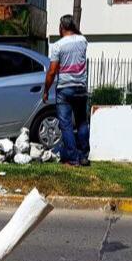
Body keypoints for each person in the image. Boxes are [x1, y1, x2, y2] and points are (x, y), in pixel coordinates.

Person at [43, 14, 90, 166]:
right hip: (81, 87)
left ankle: (72, 157)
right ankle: (83, 155)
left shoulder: (58, 46)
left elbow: (51, 71)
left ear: (62, 27)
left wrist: (46, 90)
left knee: (66, 124)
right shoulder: (83, 41)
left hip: (65, 89)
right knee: (82, 122)